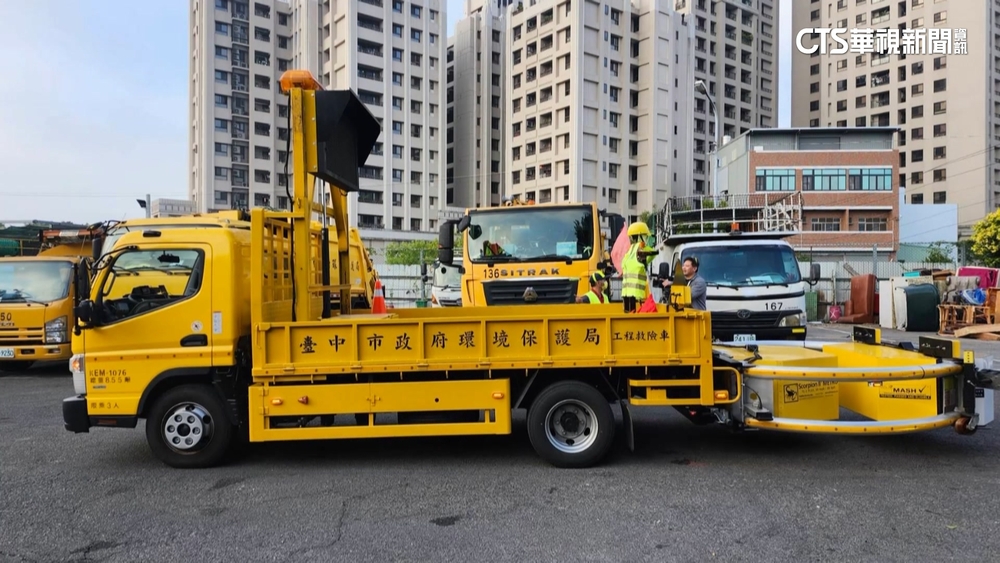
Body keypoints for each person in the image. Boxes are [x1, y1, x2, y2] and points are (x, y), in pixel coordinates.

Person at [621, 221, 658, 313]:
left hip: (626, 292)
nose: (646, 238)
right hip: (636, 293)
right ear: (641, 236)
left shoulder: (629, 252)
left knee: (627, 313)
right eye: (645, 236)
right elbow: (654, 253)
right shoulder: (641, 248)